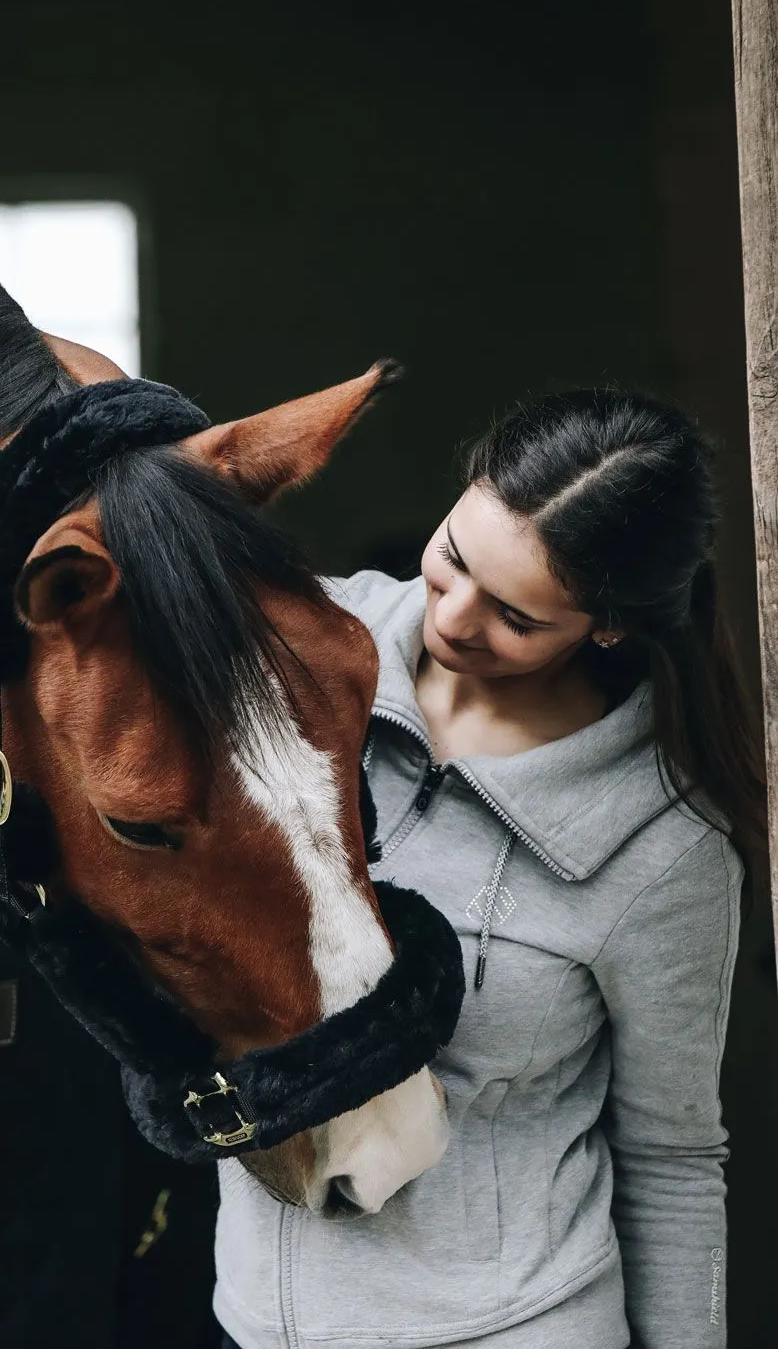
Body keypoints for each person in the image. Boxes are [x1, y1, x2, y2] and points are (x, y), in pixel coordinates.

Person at [213, 388, 766, 1349]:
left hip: (511, 1326)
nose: (456, 619)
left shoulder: (665, 844)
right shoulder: (297, 658)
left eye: (514, 615)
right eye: (453, 558)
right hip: (253, 1323)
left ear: (607, 626)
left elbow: (673, 1157)